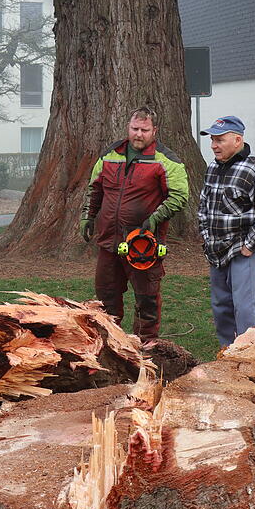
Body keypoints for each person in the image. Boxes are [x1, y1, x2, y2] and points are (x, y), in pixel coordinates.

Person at [79, 106, 188, 341]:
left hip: (143, 244)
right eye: (134, 128)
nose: (138, 134)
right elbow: (94, 189)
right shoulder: (110, 154)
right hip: (108, 242)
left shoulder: (166, 160)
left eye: (144, 130)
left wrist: (155, 219)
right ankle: (110, 346)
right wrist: (88, 215)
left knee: (146, 299)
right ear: (128, 127)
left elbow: (180, 196)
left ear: (154, 131)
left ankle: (145, 349)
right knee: (105, 300)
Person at [197, 116, 255, 348]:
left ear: (237, 140)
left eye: (220, 140)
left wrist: (251, 245)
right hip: (216, 253)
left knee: (246, 311)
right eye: (212, 140)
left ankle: (252, 358)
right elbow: (203, 208)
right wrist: (206, 239)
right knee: (221, 309)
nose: (214, 145)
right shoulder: (213, 168)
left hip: (242, 251)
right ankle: (228, 356)